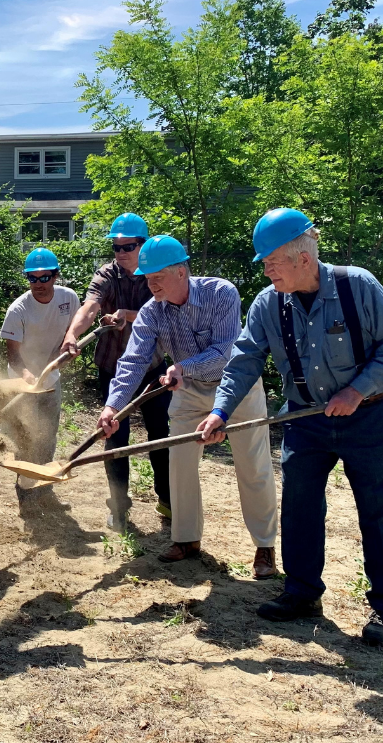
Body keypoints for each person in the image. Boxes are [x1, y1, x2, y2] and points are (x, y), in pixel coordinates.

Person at [197, 209, 383, 647]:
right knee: (299, 506)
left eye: (272, 260)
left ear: (302, 257)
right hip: (306, 421)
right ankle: (301, 592)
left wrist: (356, 391)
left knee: (377, 510)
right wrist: (220, 412)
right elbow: (243, 361)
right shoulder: (267, 303)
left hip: (369, 419)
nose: (265, 269)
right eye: (264, 262)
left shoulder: (358, 287)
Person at [96, 235, 279, 576]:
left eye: (157, 278)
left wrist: (183, 367)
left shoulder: (221, 293)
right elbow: (133, 362)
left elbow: (227, 350)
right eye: (147, 279)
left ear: (181, 272)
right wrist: (113, 407)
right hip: (190, 392)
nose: (151, 285)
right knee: (178, 462)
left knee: (253, 467)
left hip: (237, 387)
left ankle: (265, 547)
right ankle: (186, 539)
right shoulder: (151, 312)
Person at [62, 213, 172, 528]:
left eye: (128, 246)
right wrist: (72, 334)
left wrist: (128, 314)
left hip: (152, 369)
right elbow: (90, 306)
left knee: (160, 435)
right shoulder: (107, 275)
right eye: (116, 246)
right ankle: (119, 508)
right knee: (115, 436)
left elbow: (164, 313)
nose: (121, 252)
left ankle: (167, 502)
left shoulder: (158, 273)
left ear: (144, 244)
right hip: (114, 368)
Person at [0, 247, 79, 507]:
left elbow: (71, 335)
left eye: (45, 277)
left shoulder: (68, 299)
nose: (39, 284)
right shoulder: (18, 310)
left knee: (48, 434)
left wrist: (66, 353)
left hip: (51, 379)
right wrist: (28, 377)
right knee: (26, 436)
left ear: (55, 276)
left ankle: (43, 485)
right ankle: (24, 487)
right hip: (23, 383)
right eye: (33, 278)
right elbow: (13, 355)